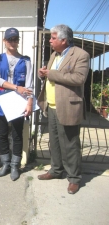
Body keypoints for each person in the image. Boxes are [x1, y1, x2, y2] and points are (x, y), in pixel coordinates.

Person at [37, 24, 89, 194]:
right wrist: (42, 73)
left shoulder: (81, 55)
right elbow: (49, 76)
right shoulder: (54, 55)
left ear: (63, 40)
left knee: (70, 143)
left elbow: (79, 78)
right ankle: (56, 170)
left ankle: (74, 178)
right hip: (51, 105)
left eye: (53, 38)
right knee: (55, 142)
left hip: (68, 106)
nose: (50, 41)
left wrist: (50, 74)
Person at [0, 28, 33, 181]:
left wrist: (29, 103)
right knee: (2, 133)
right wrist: (15, 87)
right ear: (4, 41)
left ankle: (15, 165)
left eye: (15, 39)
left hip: (19, 100)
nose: (12, 42)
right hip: (1, 99)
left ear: (18, 41)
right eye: (10, 39)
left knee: (17, 134)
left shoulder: (26, 60)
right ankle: (5, 163)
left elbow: (29, 84)